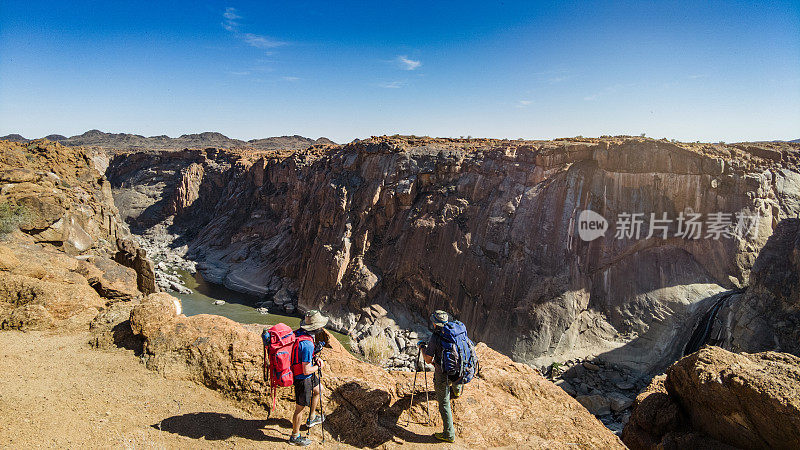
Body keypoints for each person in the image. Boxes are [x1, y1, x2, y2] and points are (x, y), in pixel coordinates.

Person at [422, 310, 464, 443]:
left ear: (435, 324)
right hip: (460, 370)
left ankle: (449, 434)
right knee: (456, 373)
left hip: (443, 374)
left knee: (444, 403)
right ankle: (457, 391)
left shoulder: (435, 337)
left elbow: (428, 360)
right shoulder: (456, 330)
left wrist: (422, 348)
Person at [288, 310, 328, 446]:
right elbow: (306, 370)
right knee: (300, 408)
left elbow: (304, 357)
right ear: (316, 328)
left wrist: (315, 357)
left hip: (307, 375)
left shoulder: (302, 333)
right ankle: (295, 436)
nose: (322, 328)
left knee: (319, 390)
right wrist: (319, 366)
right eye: (320, 326)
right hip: (302, 378)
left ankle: (311, 418)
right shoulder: (307, 344)